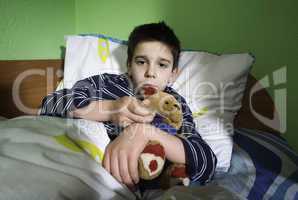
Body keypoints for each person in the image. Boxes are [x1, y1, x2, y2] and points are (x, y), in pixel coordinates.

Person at [40, 22, 217, 191]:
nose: (151, 73)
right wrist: (110, 109)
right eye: (141, 62)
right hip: (90, 171)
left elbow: (207, 162)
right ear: (129, 66)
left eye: (162, 65)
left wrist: (144, 132)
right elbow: (49, 105)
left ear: (173, 74)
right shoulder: (106, 83)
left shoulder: (173, 104)